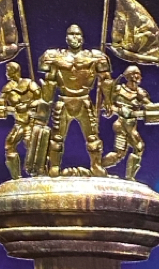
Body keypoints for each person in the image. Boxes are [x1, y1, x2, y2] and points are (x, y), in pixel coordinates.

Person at [38, 25, 113, 176]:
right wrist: (44, 102)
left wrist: (108, 100)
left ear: (82, 38)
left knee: (92, 137)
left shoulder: (95, 56)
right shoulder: (54, 56)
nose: (74, 37)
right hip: (63, 100)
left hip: (84, 101)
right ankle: (54, 166)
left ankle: (96, 166)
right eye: (71, 34)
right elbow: (49, 80)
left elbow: (106, 79)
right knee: (57, 137)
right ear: (66, 38)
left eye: (77, 34)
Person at [102, 66, 151, 180]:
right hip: (121, 125)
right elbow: (106, 105)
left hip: (131, 125)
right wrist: (119, 110)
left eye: (139, 74)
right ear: (129, 76)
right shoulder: (118, 89)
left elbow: (150, 107)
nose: (138, 77)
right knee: (122, 152)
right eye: (136, 74)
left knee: (135, 149)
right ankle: (98, 167)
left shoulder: (140, 93)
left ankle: (130, 176)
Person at [0, 62, 41, 180]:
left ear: (15, 71)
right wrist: (12, 109)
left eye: (9, 70)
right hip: (19, 122)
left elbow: (42, 100)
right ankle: (16, 177)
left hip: (33, 121)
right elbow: (1, 104)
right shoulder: (7, 89)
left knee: (32, 145)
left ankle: (39, 174)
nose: (6, 73)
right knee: (9, 143)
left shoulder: (29, 84)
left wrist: (27, 106)